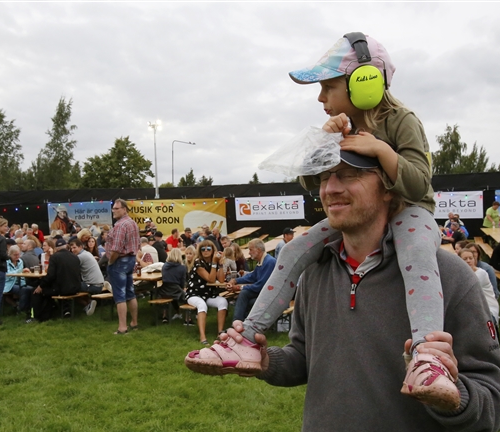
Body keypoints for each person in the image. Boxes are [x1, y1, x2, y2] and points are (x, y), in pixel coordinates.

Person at [189, 147, 500, 432]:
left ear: (389, 186)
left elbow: (493, 406)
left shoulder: (450, 278)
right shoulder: (313, 272)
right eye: (325, 177)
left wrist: (452, 395)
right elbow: (305, 357)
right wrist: (267, 362)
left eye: (349, 175)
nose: (331, 188)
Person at [186, 32, 451, 407]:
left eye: (328, 87)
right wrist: (322, 146)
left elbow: (419, 182)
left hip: (409, 212)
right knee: (294, 249)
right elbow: (312, 181)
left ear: (366, 84)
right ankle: (247, 338)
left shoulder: (401, 119)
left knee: (418, 258)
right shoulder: (342, 127)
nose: (320, 97)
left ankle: (428, 357)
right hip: (366, 216)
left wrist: (379, 148)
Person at [106, 199, 140, 335]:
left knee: (119, 295)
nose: (114, 211)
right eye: (113, 208)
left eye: (117, 208)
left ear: (124, 209)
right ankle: (134, 322)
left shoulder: (120, 225)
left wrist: (110, 262)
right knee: (130, 292)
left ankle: (122, 327)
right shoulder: (133, 223)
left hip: (119, 261)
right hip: (131, 259)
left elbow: (116, 249)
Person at [185, 241, 227, 345]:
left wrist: (220, 264)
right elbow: (211, 279)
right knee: (202, 305)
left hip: (208, 294)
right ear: (200, 251)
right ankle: (202, 337)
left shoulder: (215, 262)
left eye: (209, 248)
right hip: (194, 293)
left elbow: (221, 280)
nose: (206, 251)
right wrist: (214, 263)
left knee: (223, 301)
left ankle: (220, 333)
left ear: (213, 250)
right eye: (203, 249)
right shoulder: (198, 262)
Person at [31, 239, 82, 322]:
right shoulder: (75, 257)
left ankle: (38, 317)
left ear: (56, 248)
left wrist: (40, 286)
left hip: (62, 289)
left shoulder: (55, 257)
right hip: (76, 287)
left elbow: (51, 276)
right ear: (66, 246)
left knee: (36, 291)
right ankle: (56, 311)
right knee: (48, 290)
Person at [226, 239, 276, 323]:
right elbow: (252, 276)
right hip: (264, 293)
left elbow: (260, 285)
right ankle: (241, 324)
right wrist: (235, 280)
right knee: (245, 297)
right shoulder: (263, 261)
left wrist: (239, 287)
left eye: (250, 249)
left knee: (244, 295)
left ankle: (237, 323)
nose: (249, 253)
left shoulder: (269, 262)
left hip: (270, 295)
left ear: (258, 250)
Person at [458, 248, 500, 324]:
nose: (468, 261)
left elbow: (464, 291)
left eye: (470, 258)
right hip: (474, 309)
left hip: (488, 309)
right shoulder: (462, 274)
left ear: (474, 259)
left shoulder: (481, 274)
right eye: (465, 259)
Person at [68, 239, 104, 316]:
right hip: (99, 283)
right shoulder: (87, 253)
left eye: (74, 248)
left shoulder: (80, 257)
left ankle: (87, 304)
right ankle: (88, 304)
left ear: (80, 247)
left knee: (70, 288)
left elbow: (70, 269)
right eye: (71, 248)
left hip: (93, 285)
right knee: (76, 285)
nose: (72, 250)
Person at [157, 248, 186, 323]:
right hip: (176, 289)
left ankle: (165, 315)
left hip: (164, 289)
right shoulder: (182, 267)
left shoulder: (165, 266)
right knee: (186, 297)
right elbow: (182, 282)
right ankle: (187, 317)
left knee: (168, 297)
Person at [4, 245, 33, 320]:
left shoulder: (20, 261)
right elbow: (8, 275)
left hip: (20, 282)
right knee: (24, 290)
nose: (17, 256)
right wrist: (20, 271)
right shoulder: (6, 262)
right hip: (9, 283)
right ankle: (21, 308)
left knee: (31, 289)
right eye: (15, 255)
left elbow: (21, 275)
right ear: (10, 254)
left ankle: (27, 309)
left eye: (18, 254)